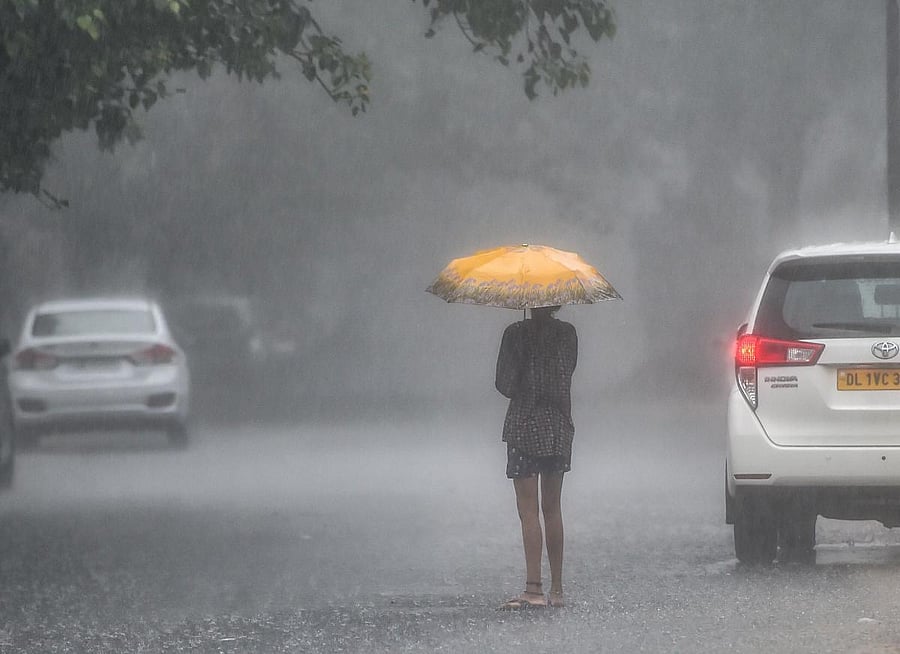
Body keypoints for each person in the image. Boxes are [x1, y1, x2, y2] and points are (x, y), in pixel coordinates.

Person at [494, 305, 577, 609]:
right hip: (557, 426)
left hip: (523, 427)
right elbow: (565, 373)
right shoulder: (567, 334)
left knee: (528, 511)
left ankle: (533, 589)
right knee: (552, 508)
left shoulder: (515, 334)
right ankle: (557, 590)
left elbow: (504, 384)